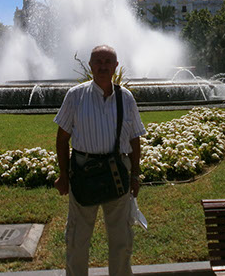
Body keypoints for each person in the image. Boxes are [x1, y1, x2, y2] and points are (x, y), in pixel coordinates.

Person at [54, 45, 146, 276]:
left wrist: (135, 175)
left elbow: (135, 139)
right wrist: (63, 175)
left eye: (108, 61)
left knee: (121, 239)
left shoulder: (126, 98)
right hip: (83, 173)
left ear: (116, 66)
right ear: (90, 65)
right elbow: (62, 139)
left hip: (118, 173)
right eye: (98, 61)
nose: (103, 66)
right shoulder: (75, 96)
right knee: (77, 239)